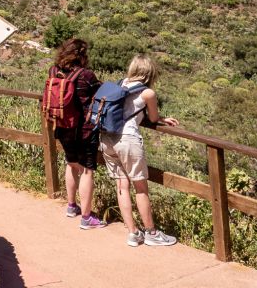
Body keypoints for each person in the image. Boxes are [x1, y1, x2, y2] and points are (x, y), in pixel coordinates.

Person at [99, 54, 180, 246]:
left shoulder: (120, 84)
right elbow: (152, 118)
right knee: (141, 188)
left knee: (121, 185)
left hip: (107, 139)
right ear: (150, 73)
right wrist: (161, 119)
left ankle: (133, 233)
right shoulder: (147, 93)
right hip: (127, 140)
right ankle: (151, 232)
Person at [48, 38, 106, 229]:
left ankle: (72, 206)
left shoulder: (54, 70)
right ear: (82, 54)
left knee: (71, 164)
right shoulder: (86, 75)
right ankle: (87, 217)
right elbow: (101, 93)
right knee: (87, 170)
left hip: (62, 126)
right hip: (84, 130)